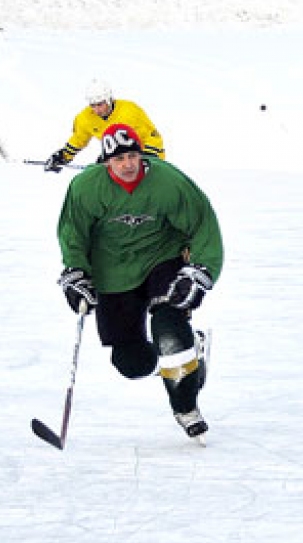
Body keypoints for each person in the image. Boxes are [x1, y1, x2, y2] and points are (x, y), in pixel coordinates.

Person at [56, 123, 223, 443]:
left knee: (169, 327)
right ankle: (191, 357)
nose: (128, 164)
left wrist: (201, 271)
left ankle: (186, 407)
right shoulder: (85, 188)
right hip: (112, 271)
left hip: (162, 257)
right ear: (106, 162)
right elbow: (72, 235)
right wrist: (75, 273)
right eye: (119, 159)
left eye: (133, 155)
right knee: (132, 363)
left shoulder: (168, 182)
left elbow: (204, 224)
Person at [46, 79, 165, 173]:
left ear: (109, 100)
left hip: (146, 156)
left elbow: (152, 138)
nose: (96, 110)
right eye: (93, 105)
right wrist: (62, 156)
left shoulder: (130, 111)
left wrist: (147, 159)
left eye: (100, 104)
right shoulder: (85, 118)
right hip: (118, 158)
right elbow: (78, 140)